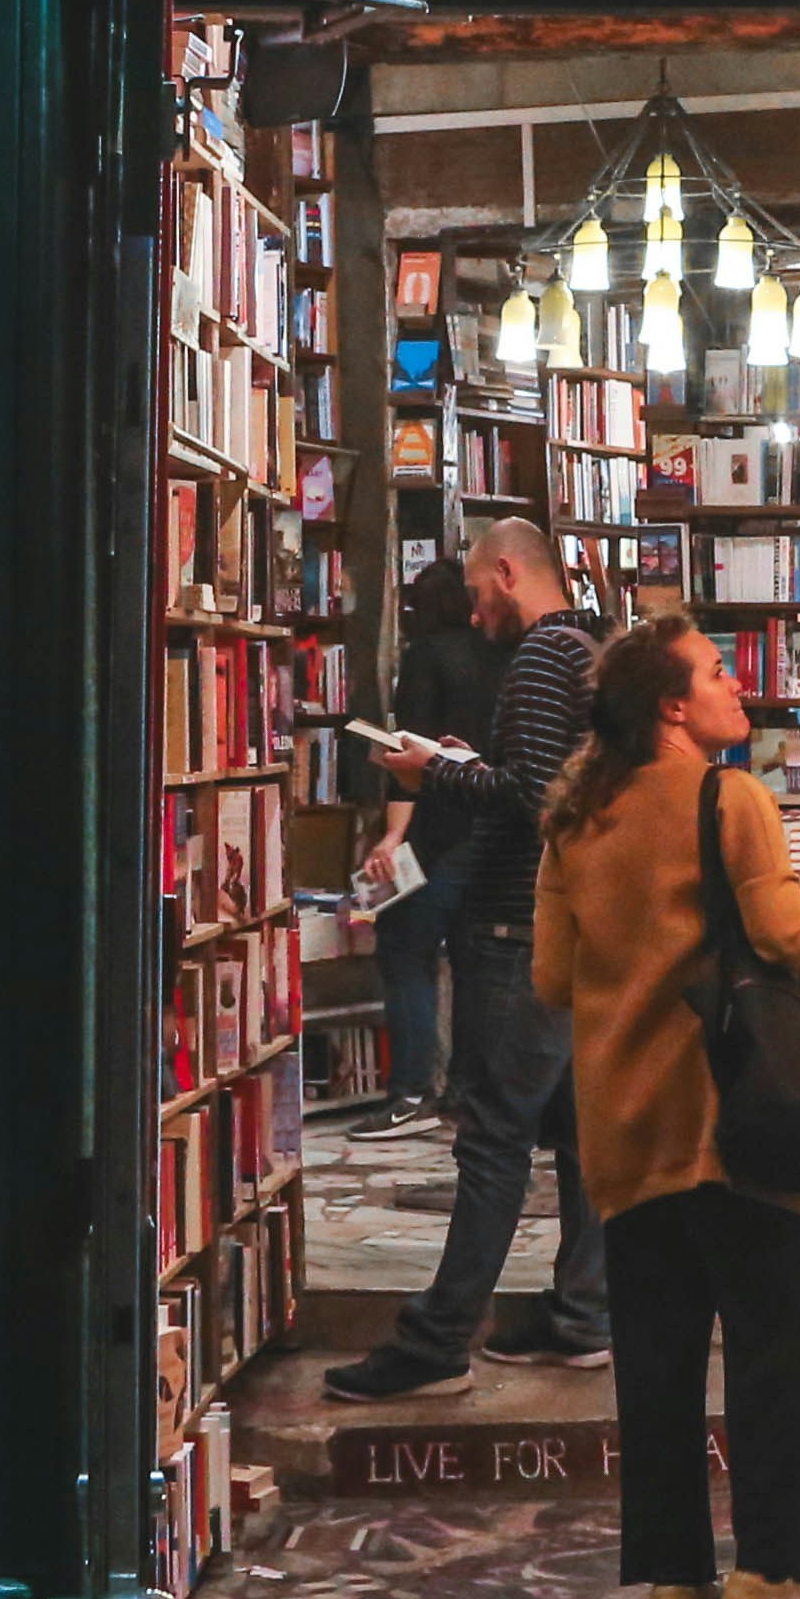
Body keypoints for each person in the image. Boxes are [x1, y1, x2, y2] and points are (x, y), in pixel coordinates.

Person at [531, 612, 800, 1599]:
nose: (734, 684)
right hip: (740, 1124)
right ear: (672, 705)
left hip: (625, 1127)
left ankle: (673, 1581)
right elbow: (786, 936)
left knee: (656, 1365)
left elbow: (548, 977)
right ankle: (768, 1575)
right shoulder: (732, 797)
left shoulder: (575, 819)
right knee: (777, 1351)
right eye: (715, 672)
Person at [322, 517, 610, 1395]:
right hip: (563, 921)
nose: (473, 604)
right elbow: (556, 781)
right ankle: (581, 1316)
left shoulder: (537, 659)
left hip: (512, 925)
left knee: (491, 1136)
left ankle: (438, 1340)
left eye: (479, 584)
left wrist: (430, 770)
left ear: (509, 570)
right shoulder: (591, 650)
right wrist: (471, 759)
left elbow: (531, 799)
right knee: (577, 1137)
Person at [356, 558, 497, 1124]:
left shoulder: (426, 658)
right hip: (488, 828)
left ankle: (410, 1091)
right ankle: (466, 1088)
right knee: (473, 962)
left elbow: (407, 756)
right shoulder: (503, 653)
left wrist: (392, 835)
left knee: (406, 952)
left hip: (434, 832)